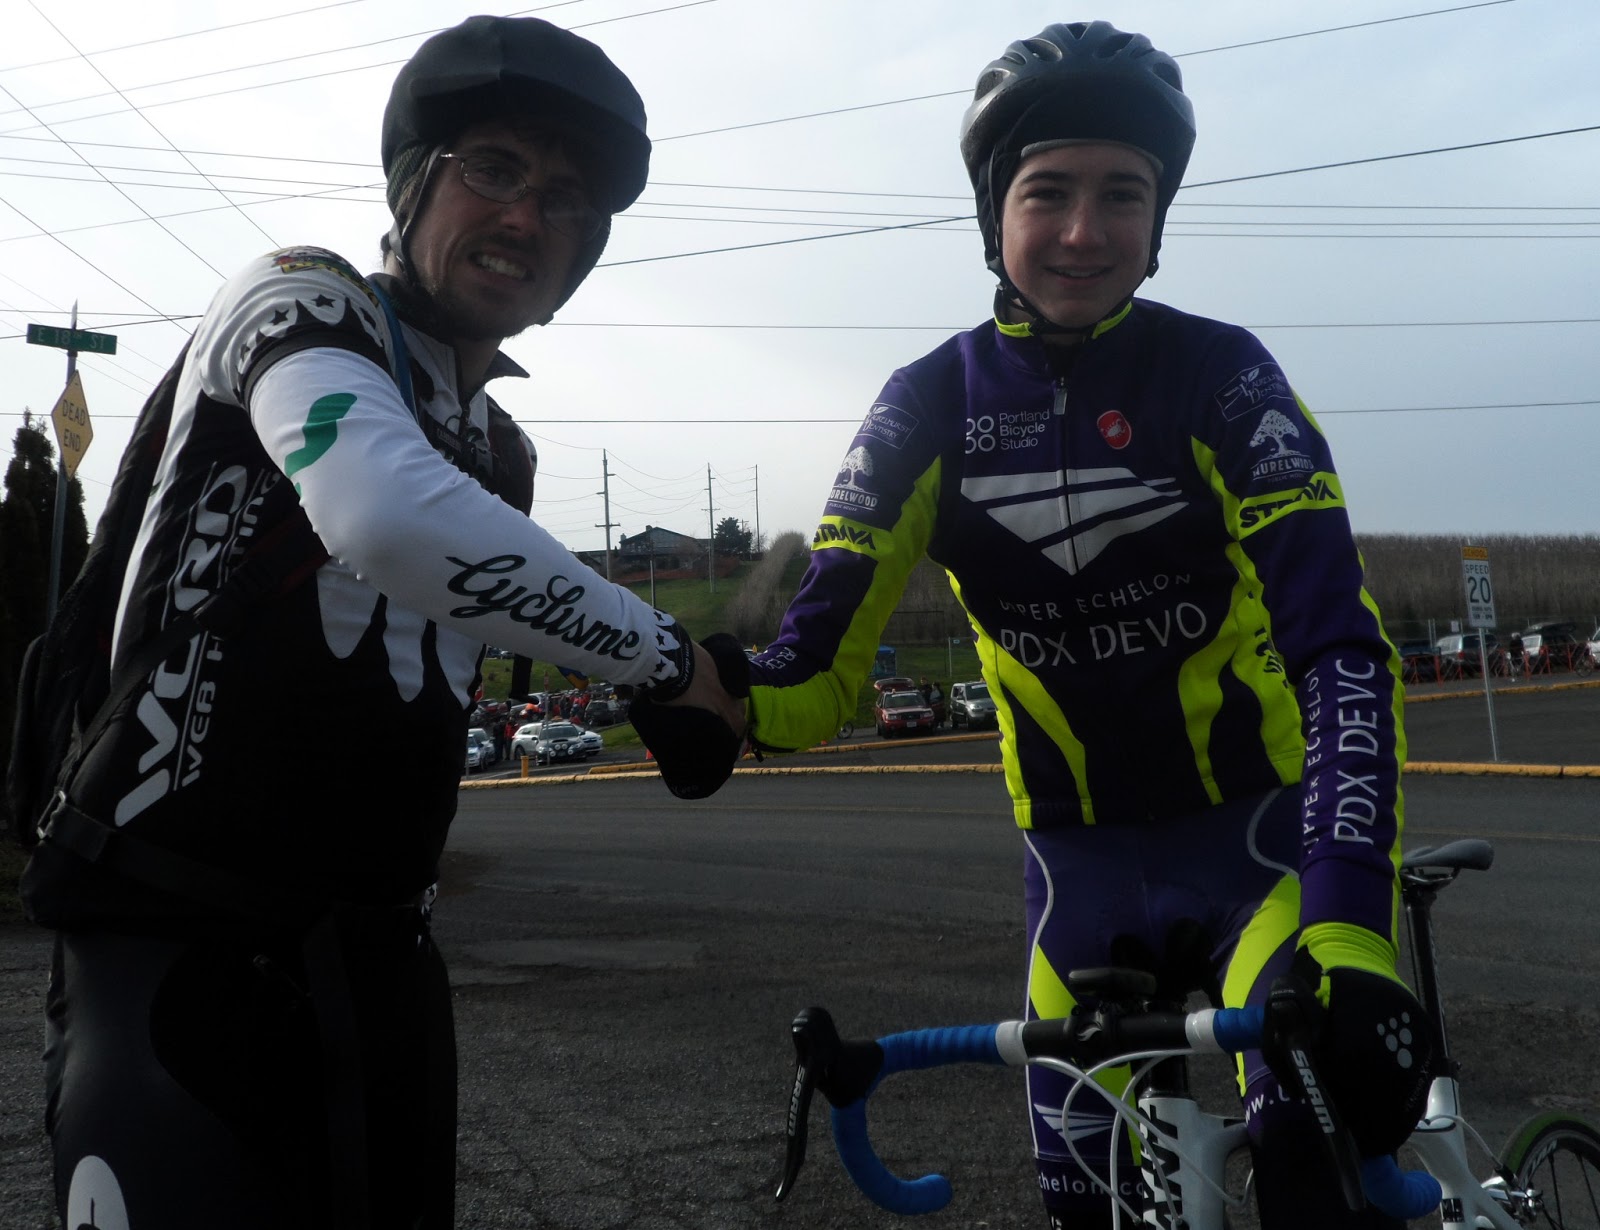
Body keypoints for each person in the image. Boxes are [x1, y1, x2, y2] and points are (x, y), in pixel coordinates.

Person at [650, 21, 1430, 1229]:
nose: (1082, 231)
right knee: (1085, 1207)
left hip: (1264, 844)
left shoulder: (1223, 377)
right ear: (992, 214)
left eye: (1122, 194)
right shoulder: (925, 408)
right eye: (1047, 192)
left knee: (1310, 1165)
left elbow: (1339, 655)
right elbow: (819, 668)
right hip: (1079, 874)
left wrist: (1349, 927)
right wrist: (725, 692)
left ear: (1158, 219)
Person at [23, 15, 740, 1229]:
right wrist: (665, 660)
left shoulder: (500, 451)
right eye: (493, 169)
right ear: (412, 185)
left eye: (567, 199)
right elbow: (382, 511)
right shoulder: (302, 299)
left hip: (381, 973)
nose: (526, 216)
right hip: (171, 951)